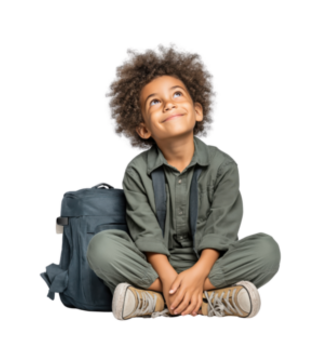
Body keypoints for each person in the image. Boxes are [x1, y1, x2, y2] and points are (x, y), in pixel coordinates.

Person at [88, 42, 282, 321]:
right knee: (101, 247)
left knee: (268, 249)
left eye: (177, 94)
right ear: (144, 128)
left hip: (211, 265)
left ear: (198, 111)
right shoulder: (135, 170)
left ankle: (152, 302)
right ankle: (211, 303)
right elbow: (145, 233)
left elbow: (222, 229)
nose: (169, 103)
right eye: (154, 101)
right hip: (155, 267)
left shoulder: (225, 166)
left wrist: (197, 274)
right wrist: (169, 277)